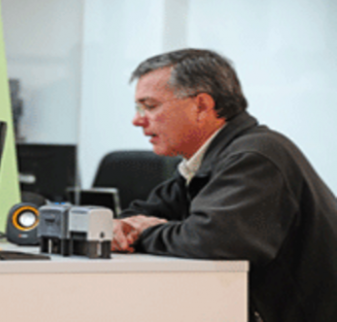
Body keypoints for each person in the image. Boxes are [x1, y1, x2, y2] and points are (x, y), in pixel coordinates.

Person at [112, 48, 337, 322]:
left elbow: (213, 240)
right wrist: (122, 227)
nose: (138, 120)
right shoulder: (205, 162)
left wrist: (145, 233)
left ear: (202, 106)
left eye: (150, 106)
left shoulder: (255, 156)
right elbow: (137, 215)